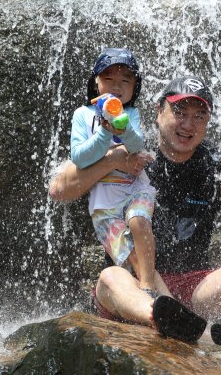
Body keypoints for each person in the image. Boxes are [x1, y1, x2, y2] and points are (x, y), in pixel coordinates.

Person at [50, 75, 221, 351]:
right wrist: (111, 160)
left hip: (193, 290)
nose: (188, 124)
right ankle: (161, 316)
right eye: (179, 112)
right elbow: (58, 188)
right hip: (135, 287)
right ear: (158, 112)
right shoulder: (131, 154)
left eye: (199, 116)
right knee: (110, 278)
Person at [69, 48, 170, 298]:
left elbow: (136, 146)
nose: (117, 86)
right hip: (103, 203)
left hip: (134, 187)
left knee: (139, 221)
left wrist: (121, 127)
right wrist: (105, 133)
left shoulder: (131, 114)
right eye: (109, 79)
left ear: (135, 87)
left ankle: (148, 288)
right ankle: (156, 301)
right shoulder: (83, 115)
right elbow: (80, 158)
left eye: (126, 81)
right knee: (129, 253)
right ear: (96, 82)